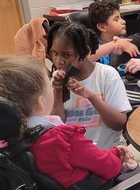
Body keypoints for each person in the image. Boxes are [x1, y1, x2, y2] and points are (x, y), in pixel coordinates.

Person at [0, 55, 137, 190]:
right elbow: (109, 167)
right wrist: (117, 154)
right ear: (41, 103)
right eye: (48, 85)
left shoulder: (7, 144)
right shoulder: (62, 139)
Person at [47, 21, 132, 150]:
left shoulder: (106, 75)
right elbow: (56, 126)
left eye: (66, 55)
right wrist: (57, 90)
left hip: (109, 152)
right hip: (76, 157)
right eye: (55, 53)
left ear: (85, 51)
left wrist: (91, 96)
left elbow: (119, 124)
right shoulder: (56, 80)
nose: (59, 61)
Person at [87, 0, 140, 65]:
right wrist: (114, 44)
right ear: (102, 27)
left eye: (121, 17)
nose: (123, 21)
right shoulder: (95, 47)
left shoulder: (125, 41)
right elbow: (85, 59)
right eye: (116, 19)